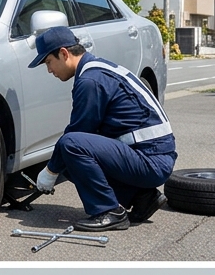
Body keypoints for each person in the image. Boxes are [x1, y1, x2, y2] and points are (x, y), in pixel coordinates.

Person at [29, 25, 176, 231]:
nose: (49, 70)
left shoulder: (90, 80)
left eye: (49, 62)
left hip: (150, 160)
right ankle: (143, 198)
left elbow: (77, 134)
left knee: (70, 146)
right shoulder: (96, 68)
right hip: (151, 155)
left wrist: (50, 171)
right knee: (70, 157)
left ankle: (109, 211)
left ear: (64, 53)